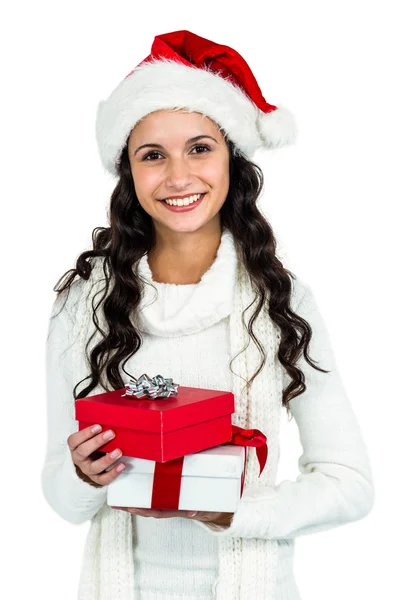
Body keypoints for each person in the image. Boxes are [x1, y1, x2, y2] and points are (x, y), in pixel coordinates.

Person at [41, 29, 375, 600]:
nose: (178, 177)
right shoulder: (84, 303)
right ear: (129, 173)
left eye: (200, 147)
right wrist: (82, 475)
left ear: (232, 161)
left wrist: (236, 512)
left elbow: (349, 485)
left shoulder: (283, 302)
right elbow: (62, 497)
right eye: (153, 155)